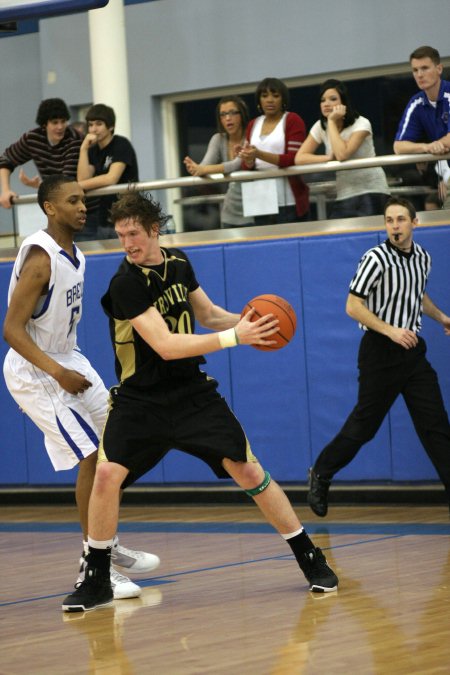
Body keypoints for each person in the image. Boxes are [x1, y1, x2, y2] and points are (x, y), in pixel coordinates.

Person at [61, 190, 338, 612]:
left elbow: (207, 314)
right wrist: (235, 338)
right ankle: (97, 578)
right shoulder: (125, 283)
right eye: (120, 236)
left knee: (248, 470)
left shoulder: (179, 263)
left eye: (133, 233)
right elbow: (166, 345)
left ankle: (309, 557)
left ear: (155, 230)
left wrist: (250, 323)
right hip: (141, 400)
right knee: (105, 476)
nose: (128, 243)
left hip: (192, 394)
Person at [2, 175, 160, 599]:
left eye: (84, 199)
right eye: (72, 200)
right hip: (37, 369)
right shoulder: (41, 257)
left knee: (117, 446)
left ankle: (104, 540)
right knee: (90, 455)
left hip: (68, 359)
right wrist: (56, 373)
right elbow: (12, 331)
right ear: (50, 208)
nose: (82, 206)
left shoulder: (77, 253)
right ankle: (95, 566)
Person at [306, 196, 450, 518]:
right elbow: (352, 305)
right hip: (380, 351)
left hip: (412, 353)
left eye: (400, 219)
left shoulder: (423, 258)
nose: (394, 226)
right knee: (364, 427)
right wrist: (390, 330)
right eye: (389, 220)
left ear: (415, 222)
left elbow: (417, 293)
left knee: (437, 427)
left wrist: (441, 317)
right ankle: (322, 472)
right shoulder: (375, 258)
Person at [295, 79, 390, 218]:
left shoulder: (361, 123)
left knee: (371, 236)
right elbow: (299, 158)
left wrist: (332, 122)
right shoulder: (320, 126)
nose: (326, 104)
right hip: (345, 192)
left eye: (333, 99)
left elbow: (342, 155)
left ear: (343, 103)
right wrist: (327, 158)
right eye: (323, 100)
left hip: (371, 190)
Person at [238, 77, 309, 225]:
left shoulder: (292, 120)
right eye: (264, 96)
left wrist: (258, 154)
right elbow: (247, 167)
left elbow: (293, 159)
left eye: (275, 96)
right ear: (259, 100)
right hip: (259, 198)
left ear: (283, 99)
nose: (270, 100)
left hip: (288, 198)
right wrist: (247, 158)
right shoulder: (253, 124)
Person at [183, 95, 254, 228]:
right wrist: (195, 168)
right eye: (223, 114)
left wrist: (203, 169)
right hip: (230, 210)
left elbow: (234, 165)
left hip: (255, 210)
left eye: (232, 113)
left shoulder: (251, 136)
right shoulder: (218, 139)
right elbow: (204, 166)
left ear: (242, 115)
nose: (228, 118)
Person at [0, 98, 82, 209]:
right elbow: (5, 160)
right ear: (44, 124)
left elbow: (65, 182)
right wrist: (5, 190)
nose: (60, 127)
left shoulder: (74, 139)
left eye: (63, 121)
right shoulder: (33, 138)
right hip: (56, 204)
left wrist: (39, 186)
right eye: (55, 122)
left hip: (82, 204)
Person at [394, 46, 450, 204]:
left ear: (439, 68)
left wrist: (439, 144)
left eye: (425, 68)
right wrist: (427, 147)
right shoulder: (416, 103)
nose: (419, 74)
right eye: (415, 70)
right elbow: (399, 146)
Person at [77, 104, 139, 240]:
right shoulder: (93, 150)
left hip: (128, 215)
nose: (93, 129)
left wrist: (78, 187)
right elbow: (82, 178)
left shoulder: (121, 144)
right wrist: (83, 149)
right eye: (91, 124)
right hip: (105, 217)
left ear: (110, 126)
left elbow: (111, 178)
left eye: (99, 124)